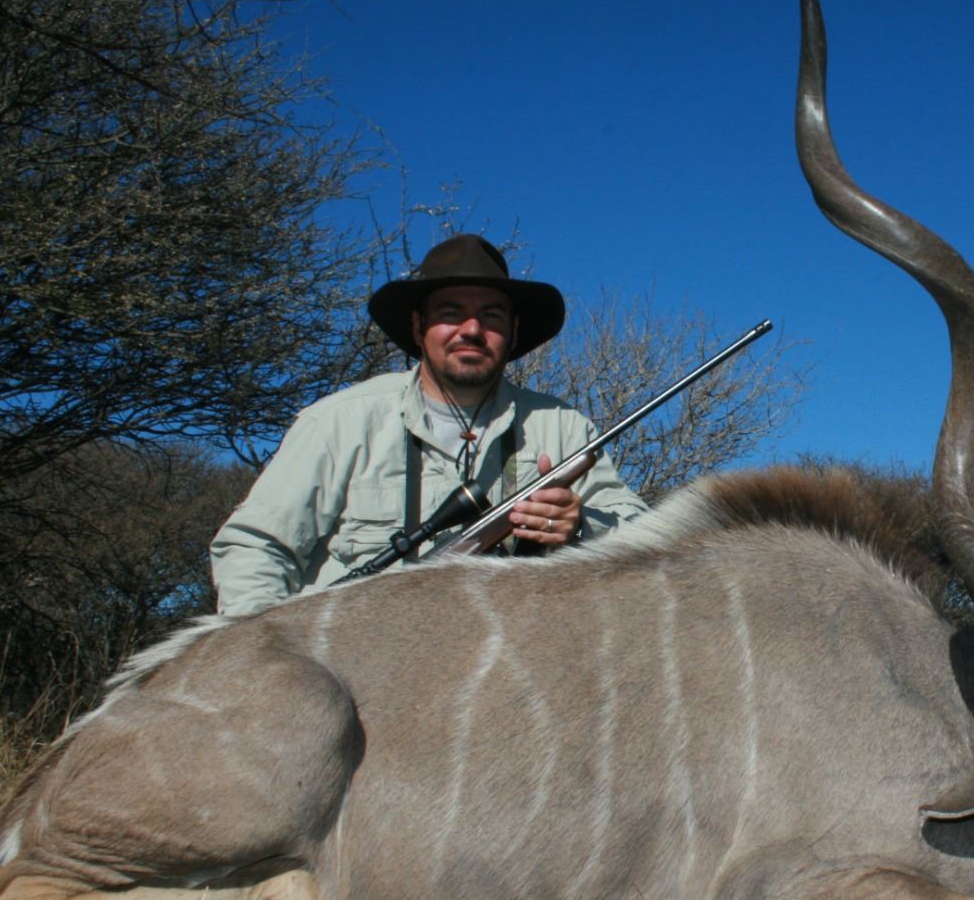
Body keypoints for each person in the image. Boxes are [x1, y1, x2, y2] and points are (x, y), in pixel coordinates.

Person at [211, 233, 648, 616]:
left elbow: (643, 541)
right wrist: (267, 663)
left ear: (514, 331)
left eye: (492, 315)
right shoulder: (338, 421)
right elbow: (254, 548)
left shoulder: (564, 427)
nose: (472, 329)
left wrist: (581, 526)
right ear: (419, 326)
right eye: (451, 312)